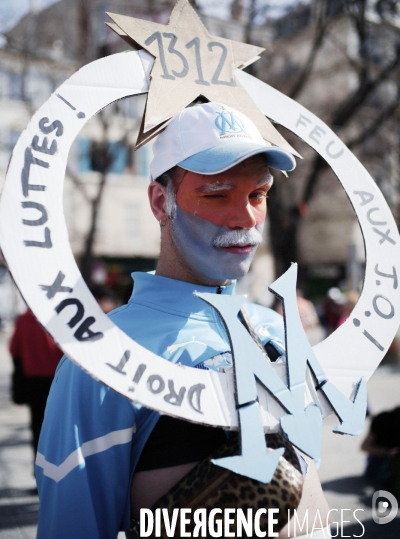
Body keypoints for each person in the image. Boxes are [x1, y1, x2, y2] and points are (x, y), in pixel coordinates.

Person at [35, 102, 330, 538]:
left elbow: (310, 489)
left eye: (258, 195)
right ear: (161, 202)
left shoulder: (277, 331)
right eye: (217, 194)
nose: (246, 218)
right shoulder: (99, 359)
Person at [9, 308, 63, 457]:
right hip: (57, 379)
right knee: (60, 425)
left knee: (37, 424)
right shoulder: (60, 317)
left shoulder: (24, 318)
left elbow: (14, 349)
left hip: (32, 380)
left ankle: (38, 464)